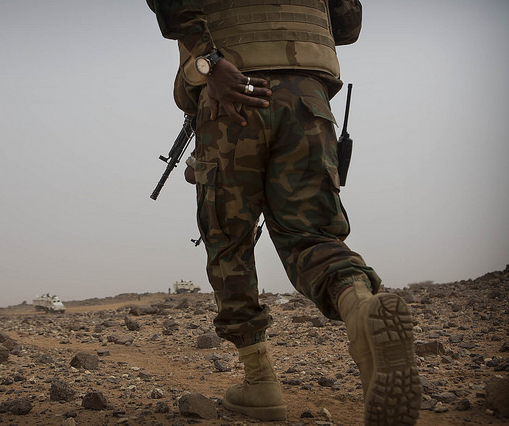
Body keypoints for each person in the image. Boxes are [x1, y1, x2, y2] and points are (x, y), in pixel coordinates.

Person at [147, 1, 421, 424]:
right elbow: (347, 24)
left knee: (228, 240)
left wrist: (212, 61)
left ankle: (261, 382)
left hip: (230, 91)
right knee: (313, 234)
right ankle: (362, 312)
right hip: (307, 94)